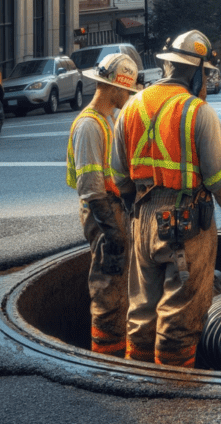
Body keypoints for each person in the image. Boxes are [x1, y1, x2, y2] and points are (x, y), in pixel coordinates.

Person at [111, 30, 221, 367]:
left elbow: (119, 177)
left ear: (167, 65)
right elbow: (220, 179)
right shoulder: (197, 112)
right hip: (185, 224)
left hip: (142, 218)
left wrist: (138, 209)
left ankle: (137, 381)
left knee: (142, 311)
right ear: (198, 73)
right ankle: (173, 390)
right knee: (180, 316)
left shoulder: (131, 107)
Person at [66, 53, 139, 356]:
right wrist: (113, 232)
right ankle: (105, 358)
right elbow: (91, 188)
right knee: (107, 287)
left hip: (113, 210)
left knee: (120, 286)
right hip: (102, 214)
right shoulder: (90, 125)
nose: (129, 96)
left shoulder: (108, 120)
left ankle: (117, 350)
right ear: (116, 87)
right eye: (127, 90)